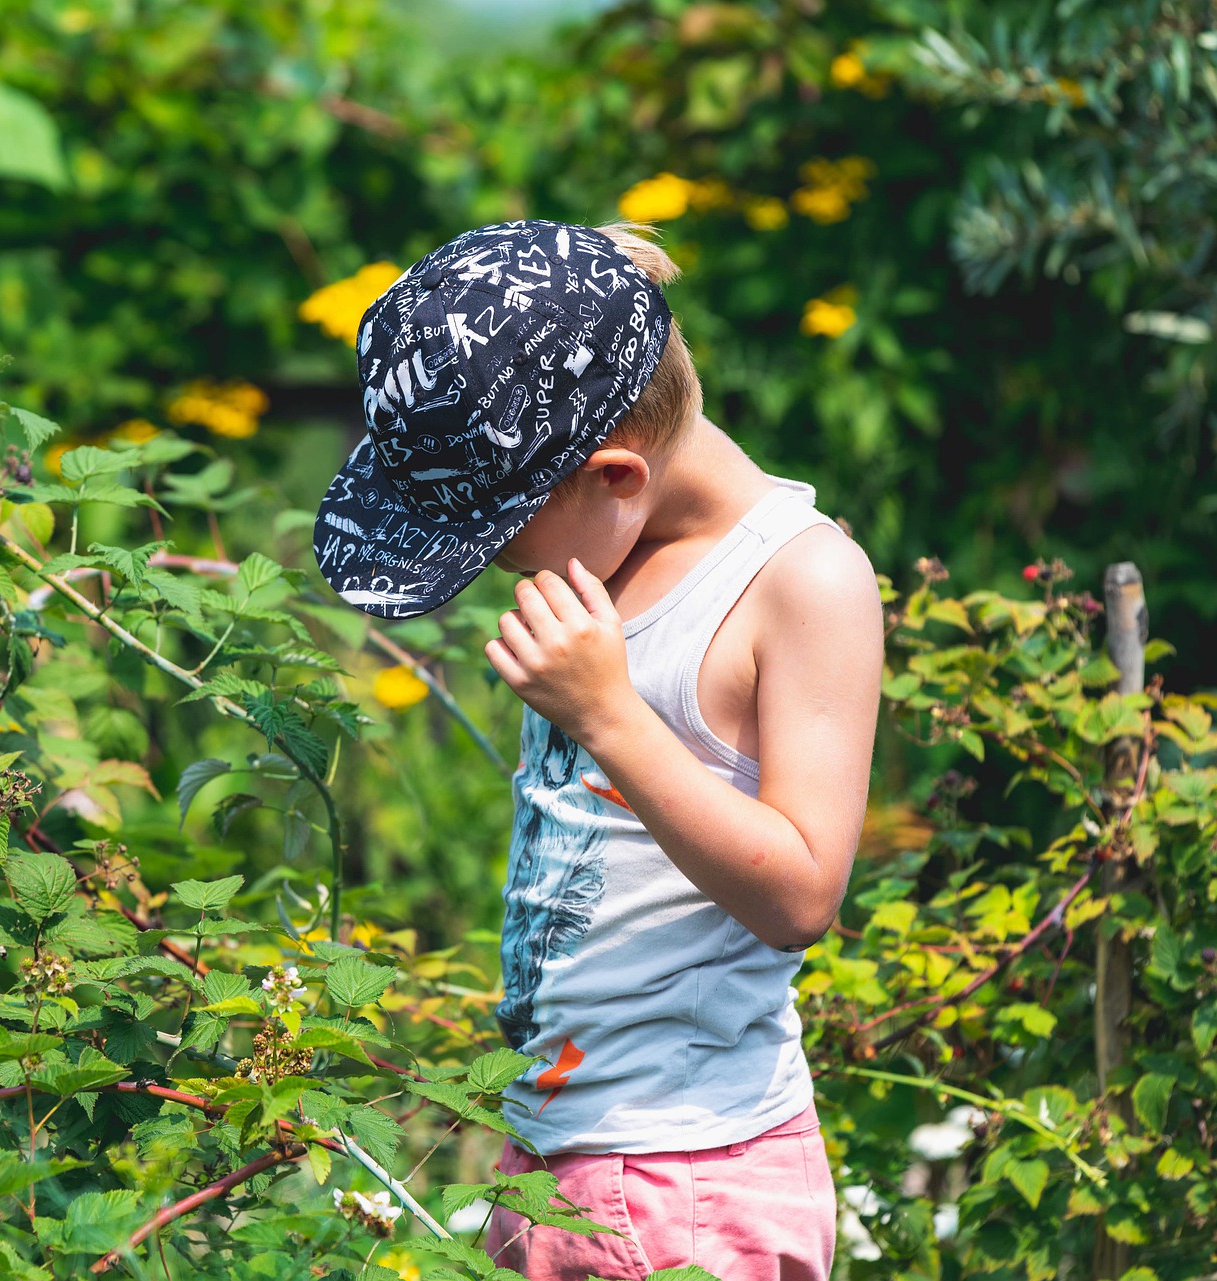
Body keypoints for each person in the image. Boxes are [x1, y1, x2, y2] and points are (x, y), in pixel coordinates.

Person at [312, 220, 883, 1279]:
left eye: (495, 536)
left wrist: (610, 715)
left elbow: (804, 892)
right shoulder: (606, 556)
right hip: (561, 1151)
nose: (490, 570)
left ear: (616, 477)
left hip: (685, 1174)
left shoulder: (800, 584)